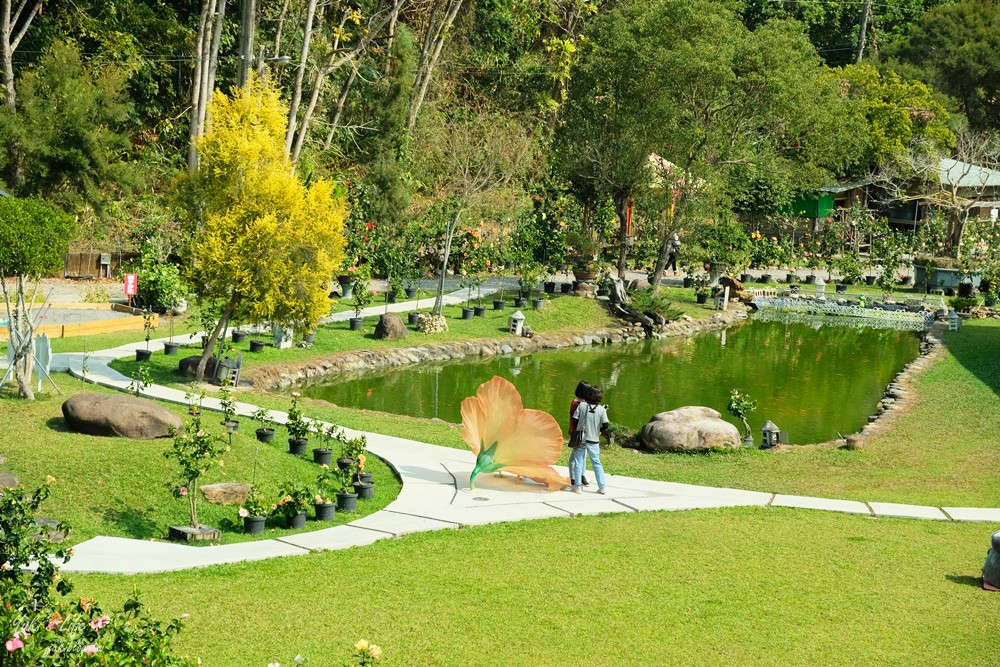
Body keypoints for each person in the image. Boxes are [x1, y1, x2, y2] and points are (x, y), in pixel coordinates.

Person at [569, 385, 609, 494]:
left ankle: (577, 487)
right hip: (594, 440)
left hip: (581, 438)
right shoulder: (601, 410)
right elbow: (606, 424)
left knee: (579, 462)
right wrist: (599, 430)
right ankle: (602, 487)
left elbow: (575, 418)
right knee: (596, 462)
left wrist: (580, 427)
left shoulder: (581, 406)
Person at [569, 381, 591, 486]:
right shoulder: (575, 404)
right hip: (577, 433)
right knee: (576, 456)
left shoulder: (583, 404)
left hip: (585, 433)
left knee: (582, 455)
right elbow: (576, 421)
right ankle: (573, 477)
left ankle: (581, 475)